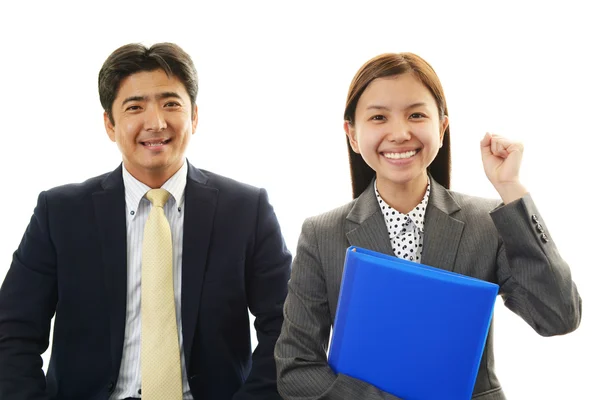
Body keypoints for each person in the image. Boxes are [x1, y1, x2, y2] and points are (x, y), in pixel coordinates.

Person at [274, 52, 582, 400]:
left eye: (416, 115)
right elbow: (295, 367)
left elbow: (559, 316)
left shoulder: (487, 223)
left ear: (442, 127)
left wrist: (511, 190)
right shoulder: (322, 234)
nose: (400, 133)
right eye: (378, 117)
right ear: (353, 135)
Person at [0, 42, 291, 400]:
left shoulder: (247, 210)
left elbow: (287, 329)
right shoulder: (59, 213)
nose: (156, 123)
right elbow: (12, 332)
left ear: (194, 116)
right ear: (110, 123)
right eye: (135, 107)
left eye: (171, 104)